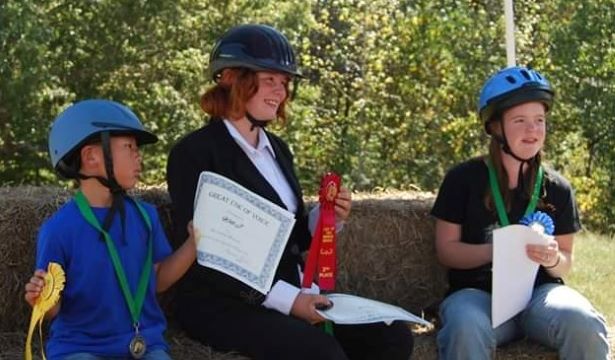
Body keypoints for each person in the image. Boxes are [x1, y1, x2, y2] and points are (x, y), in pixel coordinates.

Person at [166, 24, 414, 360]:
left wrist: (327, 218)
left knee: (392, 335)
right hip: (222, 302)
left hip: (288, 293)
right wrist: (288, 300)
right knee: (320, 352)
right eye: (270, 80)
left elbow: (292, 236)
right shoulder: (195, 153)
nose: (280, 91)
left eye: (284, 83)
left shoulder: (278, 149)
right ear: (230, 78)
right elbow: (211, 254)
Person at [431, 66, 610, 359]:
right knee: (465, 326)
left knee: (584, 322)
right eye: (520, 120)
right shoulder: (462, 179)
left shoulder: (558, 188)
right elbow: (446, 251)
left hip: (539, 297)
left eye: (540, 120)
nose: (533, 130)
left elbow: (565, 262)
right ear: (495, 127)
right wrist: (498, 250)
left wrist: (552, 257)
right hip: (477, 297)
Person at [24, 99, 197, 359]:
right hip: (80, 348)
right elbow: (54, 309)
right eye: (129, 146)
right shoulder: (59, 229)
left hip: (144, 345)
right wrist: (41, 300)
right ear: (91, 157)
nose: (138, 155)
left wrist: (195, 243)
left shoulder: (146, 216)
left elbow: (158, 279)